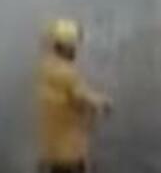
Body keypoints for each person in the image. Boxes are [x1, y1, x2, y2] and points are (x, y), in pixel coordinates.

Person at [36, 18, 112, 173]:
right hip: (68, 152)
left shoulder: (46, 67)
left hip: (49, 148)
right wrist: (103, 103)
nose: (76, 49)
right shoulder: (66, 73)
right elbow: (81, 96)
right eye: (74, 45)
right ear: (66, 46)